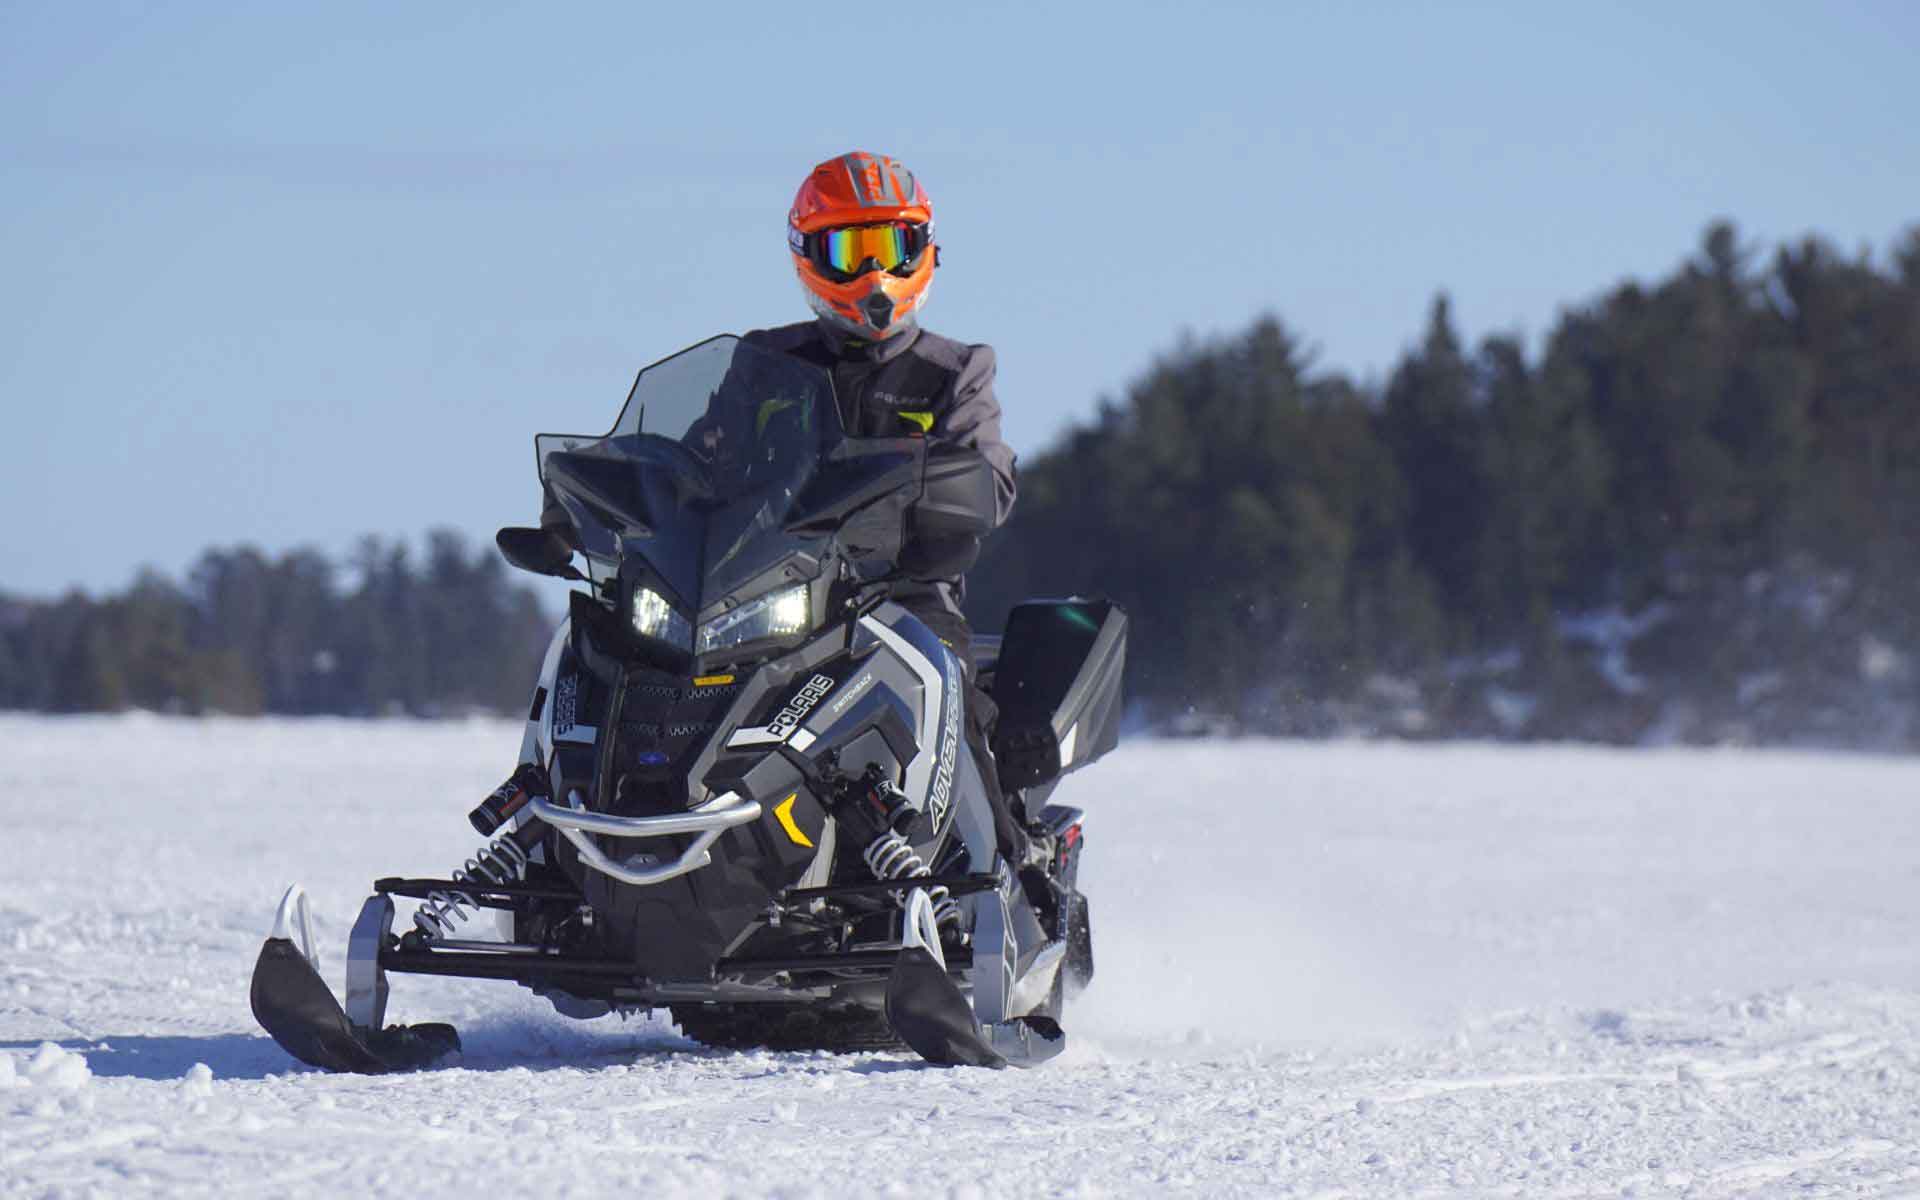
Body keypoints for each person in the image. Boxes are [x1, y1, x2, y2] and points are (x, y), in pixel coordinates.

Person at [755, 150, 1031, 868]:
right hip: (773, 597)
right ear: (810, 256)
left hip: (904, 594)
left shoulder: (955, 369)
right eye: (850, 251)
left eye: (889, 248)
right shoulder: (762, 367)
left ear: (923, 251)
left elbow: (991, 478)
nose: (872, 275)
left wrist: (942, 487)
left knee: (950, 696)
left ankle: (1006, 867)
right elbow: (701, 460)